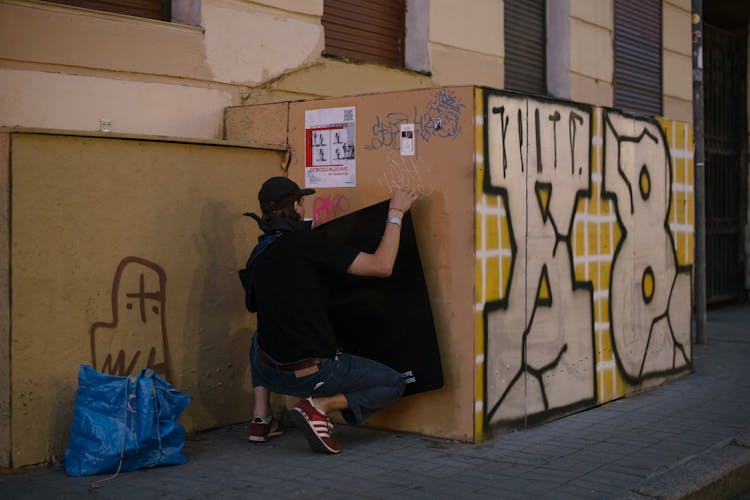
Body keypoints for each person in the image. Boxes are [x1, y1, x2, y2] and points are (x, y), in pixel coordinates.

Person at [239, 176, 418, 454]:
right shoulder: (311, 245)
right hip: (312, 377)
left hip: (271, 371)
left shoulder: (259, 252)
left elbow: (260, 299)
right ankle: (319, 407)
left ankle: (261, 419)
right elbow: (381, 266)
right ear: (298, 206)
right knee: (394, 383)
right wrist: (396, 213)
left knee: (258, 336)